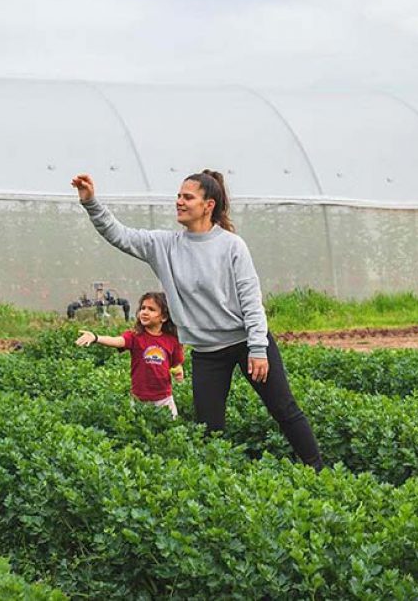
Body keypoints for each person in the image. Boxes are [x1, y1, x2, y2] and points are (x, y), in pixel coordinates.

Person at [71, 170, 324, 469]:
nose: (179, 201)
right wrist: (91, 202)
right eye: (178, 196)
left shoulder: (232, 246)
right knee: (209, 428)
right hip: (207, 353)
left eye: (187, 197)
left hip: (245, 342)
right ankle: (220, 488)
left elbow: (251, 301)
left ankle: (318, 470)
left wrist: (258, 348)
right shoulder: (164, 246)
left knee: (284, 408)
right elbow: (119, 235)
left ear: (208, 205)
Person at [76, 291, 185, 418]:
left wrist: (179, 372)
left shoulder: (172, 341)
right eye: (142, 308)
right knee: (139, 430)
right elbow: (117, 341)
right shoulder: (135, 336)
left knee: (169, 429)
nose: (144, 312)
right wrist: (96, 337)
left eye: (151, 309)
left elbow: (176, 363)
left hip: (164, 398)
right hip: (139, 398)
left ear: (164, 317)